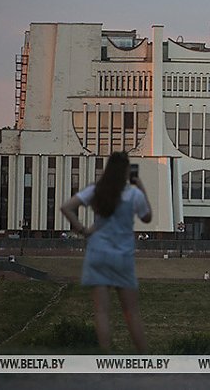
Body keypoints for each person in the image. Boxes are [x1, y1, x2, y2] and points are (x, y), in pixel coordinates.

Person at [60, 151, 152, 353]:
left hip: (98, 253)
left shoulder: (96, 190)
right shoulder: (133, 194)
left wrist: (82, 229)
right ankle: (145, 360)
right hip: (122, 256)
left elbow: (66, 207)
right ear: (127, 171)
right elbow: (147, 217)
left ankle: (105, 359)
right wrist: (141, 186)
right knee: (131, 312)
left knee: (101, 311)